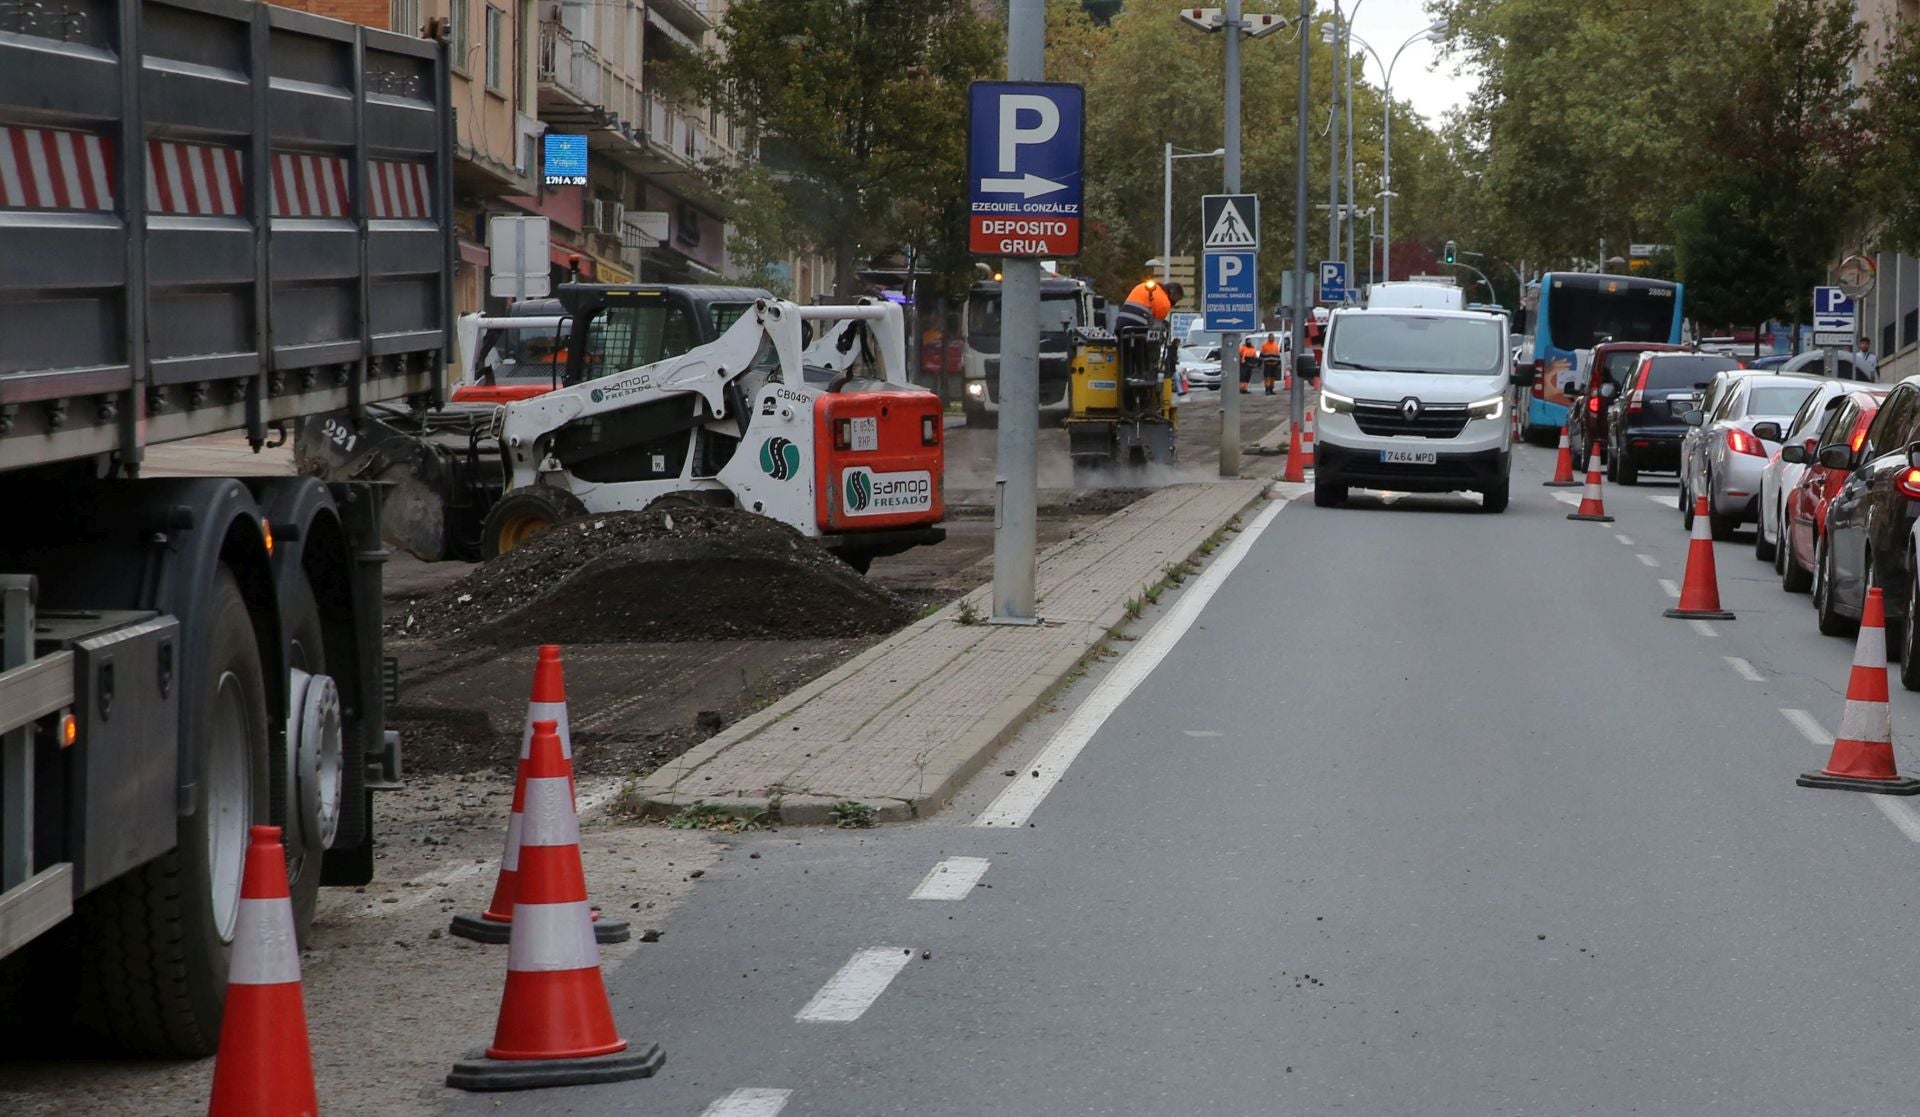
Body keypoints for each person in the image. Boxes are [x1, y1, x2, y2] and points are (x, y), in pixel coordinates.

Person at [1115, 278, 1182, 332]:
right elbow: (1156, 326)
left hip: (1121, 324)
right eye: (1176, 300)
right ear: (1172, 293)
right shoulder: (1165, 303)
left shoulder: (1142, 286)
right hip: (1140, 328)